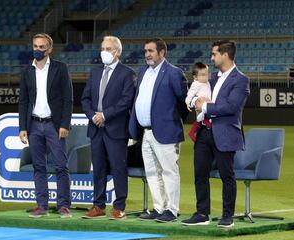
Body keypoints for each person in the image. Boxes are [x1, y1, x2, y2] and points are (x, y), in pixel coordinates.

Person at [181, 40, 250, 228]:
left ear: (225, 55)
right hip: (204, 132)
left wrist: (205, 106)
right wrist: (196, 100)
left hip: (225, 133)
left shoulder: (241, 79)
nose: (211, 58)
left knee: (227, 176)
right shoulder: (211, 79)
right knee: (200, 175)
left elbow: (231, 107)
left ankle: (228, 216)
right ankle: (202, 213)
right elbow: (197, 93)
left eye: (214, 54)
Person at [129, 38, 188, 223]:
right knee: (152, 173)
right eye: (146, 50)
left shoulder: (174, 73)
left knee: (169, 172)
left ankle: (171, 210)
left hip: (166, 132)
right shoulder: (143, 71)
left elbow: (184, 103)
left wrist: (171, 122)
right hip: (145, 132)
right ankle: (158, 207)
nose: (147, 54)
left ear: (162, 53)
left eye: (151, 51)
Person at [18, 33, 73, 218]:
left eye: (41, 47)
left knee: (61, 166)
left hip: (54, 125)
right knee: (39, 167)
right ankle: (42, 206)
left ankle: (63, 205)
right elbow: (23, 102)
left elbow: (68, 99)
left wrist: (64, 124)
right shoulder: (27, 71)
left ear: (49, 49)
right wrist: (22, 127)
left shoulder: (60, 68)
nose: (37, 49)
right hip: (34, 125)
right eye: (35, 46)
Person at [81, 36, 135, 220]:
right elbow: (85, 99)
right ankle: (98, 206)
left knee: (118, 168)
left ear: (118, 52)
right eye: (103, 48)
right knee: (98, 169)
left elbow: (126, 100)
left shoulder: (127, 73)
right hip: (96, 128)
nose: (105, 51)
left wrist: (104, 115)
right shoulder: (95, 72)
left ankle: (119, 207)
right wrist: (93, 116)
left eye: (109, 48)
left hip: (116, 129)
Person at [185, 62, 211, 142]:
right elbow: (190, 94)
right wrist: (187, 102)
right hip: (201, 104)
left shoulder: (207, 82)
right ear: (195, 77)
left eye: (206, 74)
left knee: (201, 120)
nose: (205, 77)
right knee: (203, 118)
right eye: (202, 75)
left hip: (208, 103)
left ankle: (192, 132)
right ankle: (193, 132)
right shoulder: (196, 84)